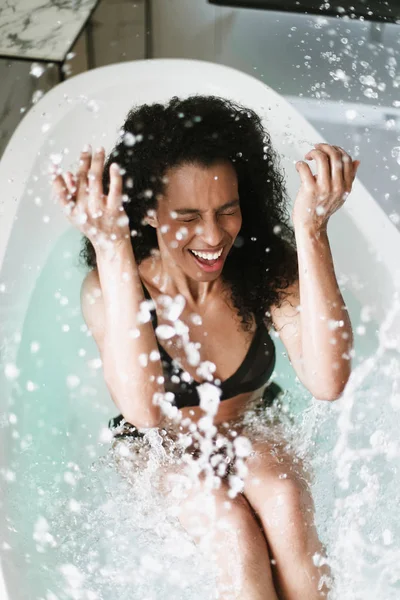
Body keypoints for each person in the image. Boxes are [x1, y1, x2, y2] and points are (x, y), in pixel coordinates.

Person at [51, 94, 359, 599]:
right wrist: (111, 248)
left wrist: (312, 230)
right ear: (148, 212)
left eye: (227, 211)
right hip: (158, 449)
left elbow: (328, 381)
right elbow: (145, 414)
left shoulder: (261, 267)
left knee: (283, 500)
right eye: (188, 216)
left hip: (249, 426)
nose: (214, 236)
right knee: (234, 533)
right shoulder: (111, 285)